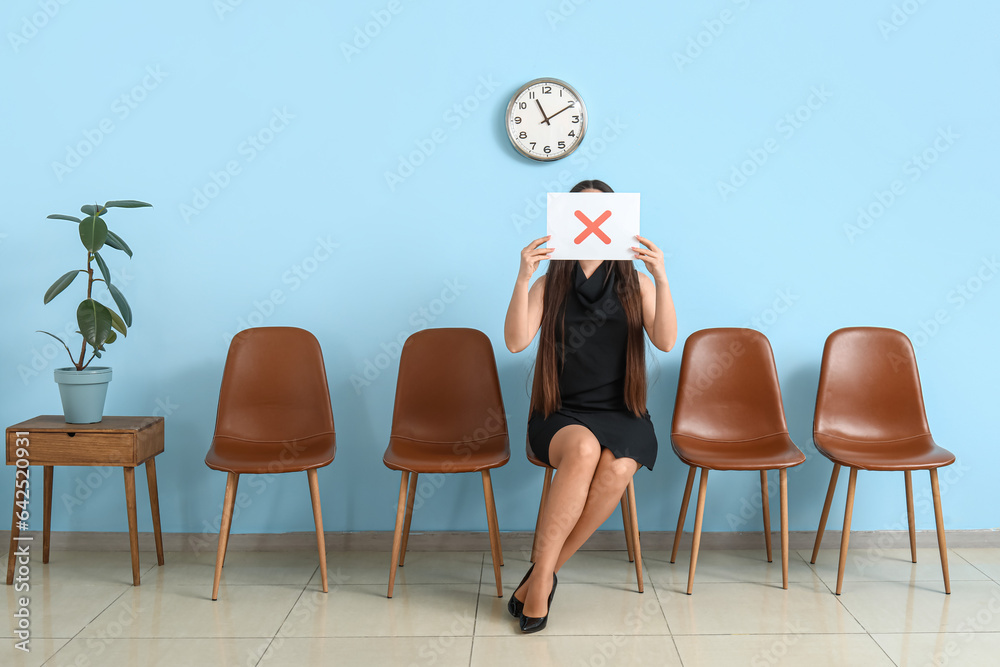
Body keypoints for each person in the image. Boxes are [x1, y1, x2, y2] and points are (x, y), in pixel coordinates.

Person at [502, 179, 677, 633]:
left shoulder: (634, 282)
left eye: (600, 213)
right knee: (582, 452)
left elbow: (665, 339)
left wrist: (661, 276)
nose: (590, 222)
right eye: (579, 212)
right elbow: (517, 341)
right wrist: (523, 277)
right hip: (561, 413)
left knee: (619, 467)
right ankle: (542, 580)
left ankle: (541, 575)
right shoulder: (550, 281)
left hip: (621, 411)